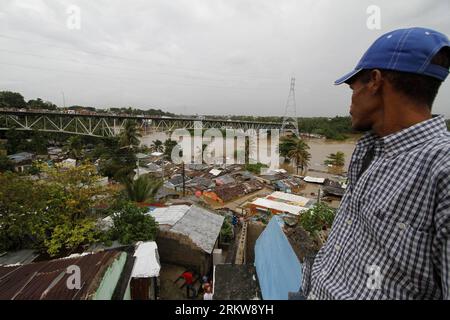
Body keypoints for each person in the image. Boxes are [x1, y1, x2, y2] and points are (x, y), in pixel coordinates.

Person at [302, 27, 450, 300]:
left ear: (374, 81)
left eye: (352, 88)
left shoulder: (442, 170)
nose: (350, 102)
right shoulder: (369, 152)